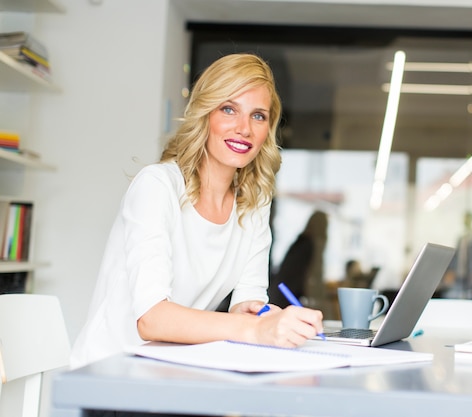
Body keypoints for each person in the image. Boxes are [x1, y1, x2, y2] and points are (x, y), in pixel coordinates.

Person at [70, 53, 324, 370]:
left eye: (258, 116)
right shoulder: (158, 186)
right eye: (229, 109)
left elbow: (245, 305)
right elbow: (152, 320)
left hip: (170, 370)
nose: (244, 128)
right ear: (205, 114)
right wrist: (256, 329)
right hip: (107, 375)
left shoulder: (253, 204)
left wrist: (262, 316)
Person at [269, 210, 331, 317]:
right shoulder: (308, 246)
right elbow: (313, 280)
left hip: (281, 296)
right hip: (285, 300)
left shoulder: (301, 243)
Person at [441, 211, 472, 299]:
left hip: (470, 276)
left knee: (468, 297)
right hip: (458, 274)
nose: (465, 221)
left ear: (471, 220)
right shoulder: (460, 238)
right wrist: (450, 271)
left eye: (467, 219)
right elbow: (456, 256)